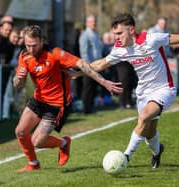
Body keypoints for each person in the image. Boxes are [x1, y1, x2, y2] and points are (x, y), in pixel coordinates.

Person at [79, 13, 179, 169]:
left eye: (119, 33)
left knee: (144, 117)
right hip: (144, 92)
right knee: (149, 132)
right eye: (114, 34)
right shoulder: (120, 49)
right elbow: (100, 64)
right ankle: (157, 150)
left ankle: (125, 157)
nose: (116, 38)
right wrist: (79, 72)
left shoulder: (151, 39)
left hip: (164, 88)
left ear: (131, 30)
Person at [13, 25, 122, 172]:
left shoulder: (55, 53)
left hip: (57, 104)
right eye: (27, 45)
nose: (31, 49)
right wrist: (18, 79)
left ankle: (63, 143)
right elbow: (17, 85)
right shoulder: (24, 55)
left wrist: (104, 82)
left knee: (37, 141)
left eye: (34, 45)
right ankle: (33, 164)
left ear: (41, 41)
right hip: (38, 100)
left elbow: (82, 64)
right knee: (20, 131)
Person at [79, 14, 103, 114]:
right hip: (88, 65)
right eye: (92, 22)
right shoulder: (85, 34)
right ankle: (86, 109)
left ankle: (91, 107)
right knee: (87, 87)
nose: (94, 23)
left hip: (97, 65)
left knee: (93, 87)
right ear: (87, 23)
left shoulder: (95, 34)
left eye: (95, 21)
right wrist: (87, 66)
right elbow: (84, 51)